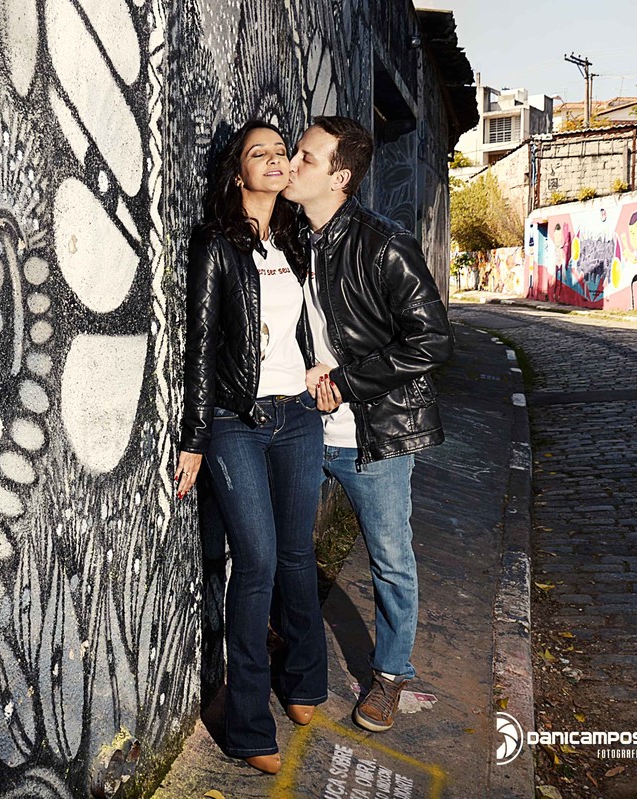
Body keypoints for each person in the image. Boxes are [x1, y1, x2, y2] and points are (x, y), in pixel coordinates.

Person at [175, 120, 337, 775]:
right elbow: (202, 344)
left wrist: (319, 372)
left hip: (296, 415)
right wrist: (194, 440)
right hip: (234, 419)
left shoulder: (296, 240)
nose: (273, 159)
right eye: (257, 153)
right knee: (260, 559)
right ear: (238, 171)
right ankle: (246, 724)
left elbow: (305, 324)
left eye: (280, 151)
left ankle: (301, 679)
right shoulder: (216, 244)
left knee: (298, 554)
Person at [283, 115, 454, 733]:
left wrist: (346, 384)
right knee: (282, 550)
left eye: (307, 157)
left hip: (373, 435)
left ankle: (389, 674)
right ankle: (296, 647)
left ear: (341, 176)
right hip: (301, 429)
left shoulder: (385, 243)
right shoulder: (292, 238)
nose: (293, 164)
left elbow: (432, 341)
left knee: (389, 558)